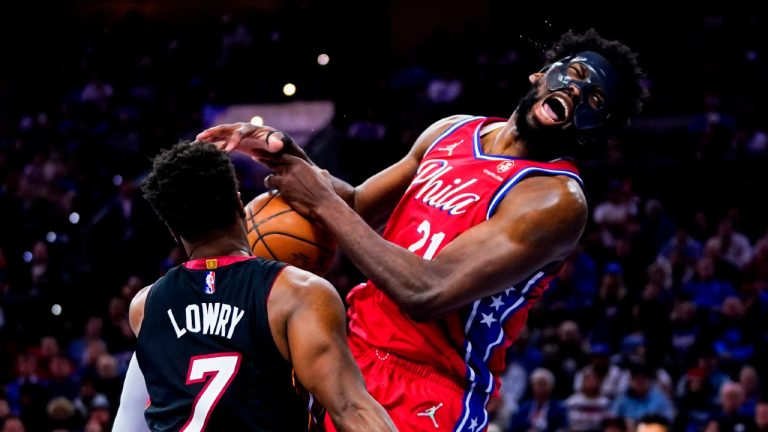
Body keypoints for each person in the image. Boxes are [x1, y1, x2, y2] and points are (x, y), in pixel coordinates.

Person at [198, 28, 646, 432]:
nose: (577, 90)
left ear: (591, 132)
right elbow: (358, 207)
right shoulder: (452, 131)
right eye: (575, 74)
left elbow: (427, 292)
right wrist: (286, 155)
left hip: (428, 391)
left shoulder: (554, 198)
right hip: (349, 351)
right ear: (540, 74)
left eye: (594, 101)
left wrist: (320, 199)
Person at [114, 142, 395, 431]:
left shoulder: (144, 307)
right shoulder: (295, 294)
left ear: (174, 231)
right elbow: (351, 409)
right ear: (240, 205)